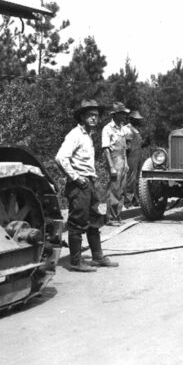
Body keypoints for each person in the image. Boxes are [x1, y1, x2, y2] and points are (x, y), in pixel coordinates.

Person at [55, 100, 117, 272]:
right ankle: (75, 262)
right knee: (78, 222)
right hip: (79, 184)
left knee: (94, 219)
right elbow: (60, 158)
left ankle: (97, 257)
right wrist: (75, 177)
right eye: (89, 115)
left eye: (96, 116)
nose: (93, 119)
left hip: (89, 181)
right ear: (82, 117)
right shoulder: (75, 134)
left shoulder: (88, 136)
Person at [102, 102, 130, 226]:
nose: (125, 116)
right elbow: (106, 149)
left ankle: (118, 215)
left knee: (121, 189)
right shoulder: (107, 129)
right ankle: (111, 218)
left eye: (125, 113)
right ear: (115, 115)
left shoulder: (122, 128)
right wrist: (111, 167)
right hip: (114, 160)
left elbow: (124, 148)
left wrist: (127, 163)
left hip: (123, 161)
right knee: (113, 190)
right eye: (122, 113)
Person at [123, 109, 145, 208]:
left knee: (137, 178)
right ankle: (127, 201)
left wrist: (145, 143)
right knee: (130, 178)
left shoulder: (135, 130)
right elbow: (126, 146)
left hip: (138, 156)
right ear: (131, 119)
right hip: (131, 157)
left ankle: (135, 199)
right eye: (137, 119)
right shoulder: (127, 129)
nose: (139, 121)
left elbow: (138, 145)